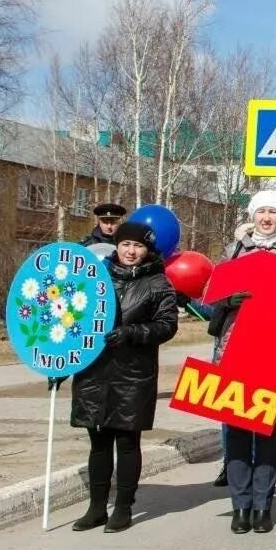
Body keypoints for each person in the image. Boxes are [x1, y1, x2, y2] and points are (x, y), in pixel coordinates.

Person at [207, 190, 276, 532]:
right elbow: (211, 297)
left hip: (273, 352)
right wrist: (228, 298)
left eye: (273, 212)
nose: (267, 218)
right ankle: (240, 505)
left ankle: (262, 505)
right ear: (252, 215)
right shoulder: (234, 252)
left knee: (267, 432)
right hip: (234, 350)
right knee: (237, 431)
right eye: (261, 212)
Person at [69, 221, 180, 532]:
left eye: (139, 246)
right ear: (116, 246)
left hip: (133, 374)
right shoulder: (95, 278)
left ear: (147, 250)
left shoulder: (158, 283)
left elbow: (167, 326)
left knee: (127, 442)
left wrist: (133, 332)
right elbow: (72, 317)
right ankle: (96, 507)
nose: (131, 251)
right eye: (126, 245)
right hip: (94, 370)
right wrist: (61, 364)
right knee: (98, 442)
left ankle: (123, 507)